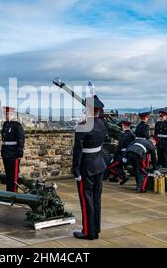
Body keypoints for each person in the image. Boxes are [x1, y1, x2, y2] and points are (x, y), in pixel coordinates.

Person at [72, 95, 107, 240]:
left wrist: (76, 169)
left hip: (86, 167)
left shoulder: (83, 126)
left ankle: (88, 232)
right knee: (96, 199)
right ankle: (96, 229)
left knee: (87, 200)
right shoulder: (102, 124)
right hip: (99, 165)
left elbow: (77, 150)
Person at [1, 106, 25, 192]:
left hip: (14, 154)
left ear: (12, 114)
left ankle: (13, 192)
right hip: (6, 153)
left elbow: (21, 140)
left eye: (8, 114)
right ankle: (9, 191)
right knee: (8, 174)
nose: (7, 115)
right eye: (6, 114)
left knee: (14, 175)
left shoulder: (17, 125)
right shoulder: (5, 124)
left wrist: (19, 154)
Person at [106, 121, 135, 185]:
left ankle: (123, 177)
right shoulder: (133, 135)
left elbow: (119, 147)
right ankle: (115, 177)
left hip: (123, 155)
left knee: (110, 167)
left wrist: (114, 157)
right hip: (130, 155)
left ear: (123, 126)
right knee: (119, 166)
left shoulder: (123, 135)